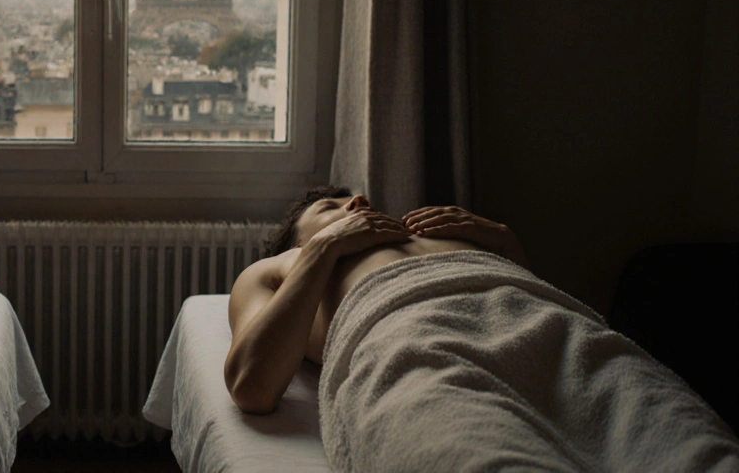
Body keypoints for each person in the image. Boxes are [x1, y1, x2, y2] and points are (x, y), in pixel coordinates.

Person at [226, 186, 739, 472]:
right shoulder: (287, 266)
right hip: (416, 342)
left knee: (688, 446)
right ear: (297, 239)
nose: (358, 201)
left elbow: (526, 288)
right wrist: (323, 248)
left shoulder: (436, 233)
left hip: (551, 329)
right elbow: (253, 385)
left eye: (357, 197)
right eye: (330, 208)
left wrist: (498, 236)